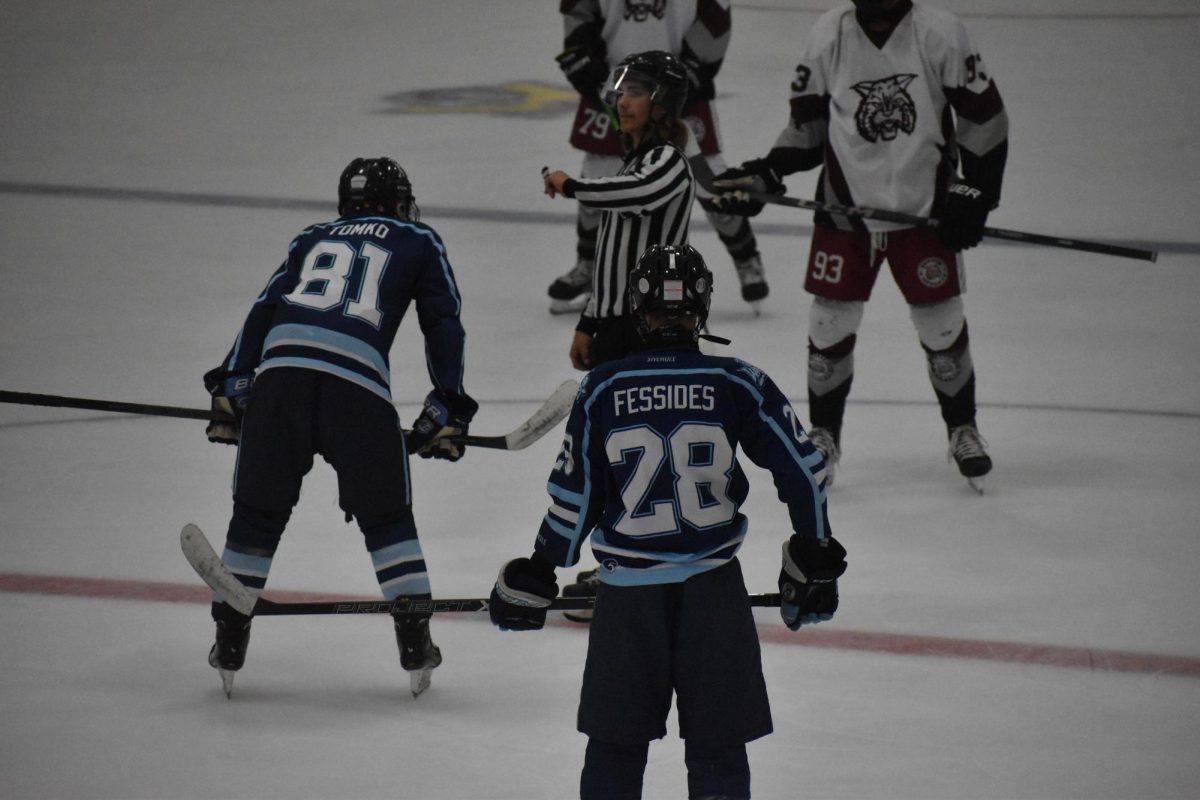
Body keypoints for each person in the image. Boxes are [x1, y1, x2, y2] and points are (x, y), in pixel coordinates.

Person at [488, 244, 847, 800]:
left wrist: (542, 566)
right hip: (714, 594)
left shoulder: (603, 387)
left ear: (638, 308)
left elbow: (575, 496)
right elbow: (803, 471)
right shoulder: (739, 380)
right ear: (701, 308)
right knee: (719, 751)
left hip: (628, 601)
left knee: (614, 747)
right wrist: (815, 550)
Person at [201, 157, 478, 696]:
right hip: (357, 390)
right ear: (397, 200)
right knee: (388, 519)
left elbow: (265, 307)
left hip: (279, 381)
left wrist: (233, 382)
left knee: (256, 514)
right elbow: (443, 323)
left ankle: (231, 635)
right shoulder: (418, 239)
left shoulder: (311, 236)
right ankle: (415, 639)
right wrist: (449, 406)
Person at [715, 0, 1008, 491]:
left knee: (941, 322)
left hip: (924, 211)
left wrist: (974, 193)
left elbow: (986, 119)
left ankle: (962, 428)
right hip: (844, 211)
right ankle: (824, 436)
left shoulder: (940, 33)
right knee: (830, 321)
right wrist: (770, 169)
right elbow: (807, 127)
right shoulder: (828, 34)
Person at [543, 48, 698, 616]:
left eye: (635, 90)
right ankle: (621, 563)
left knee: (641, 450)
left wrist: (571, 185)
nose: (620, 99)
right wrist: (589, 320)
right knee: (614, 453)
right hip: (615, 329)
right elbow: (611, 253)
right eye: (621, 89)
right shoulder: (633, 163)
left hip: (650, 335)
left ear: (662, 101)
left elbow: (636, 198)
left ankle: (642, 564)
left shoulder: (666, 162)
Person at [547, 0, 769, 315]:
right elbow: (578, 11)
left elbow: (715, 20)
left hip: (678, 93)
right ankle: (588, 265)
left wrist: (686, 77)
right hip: (614, 91)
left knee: (709, 181)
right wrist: (587, 65)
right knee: (599, 175)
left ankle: (746, 258)